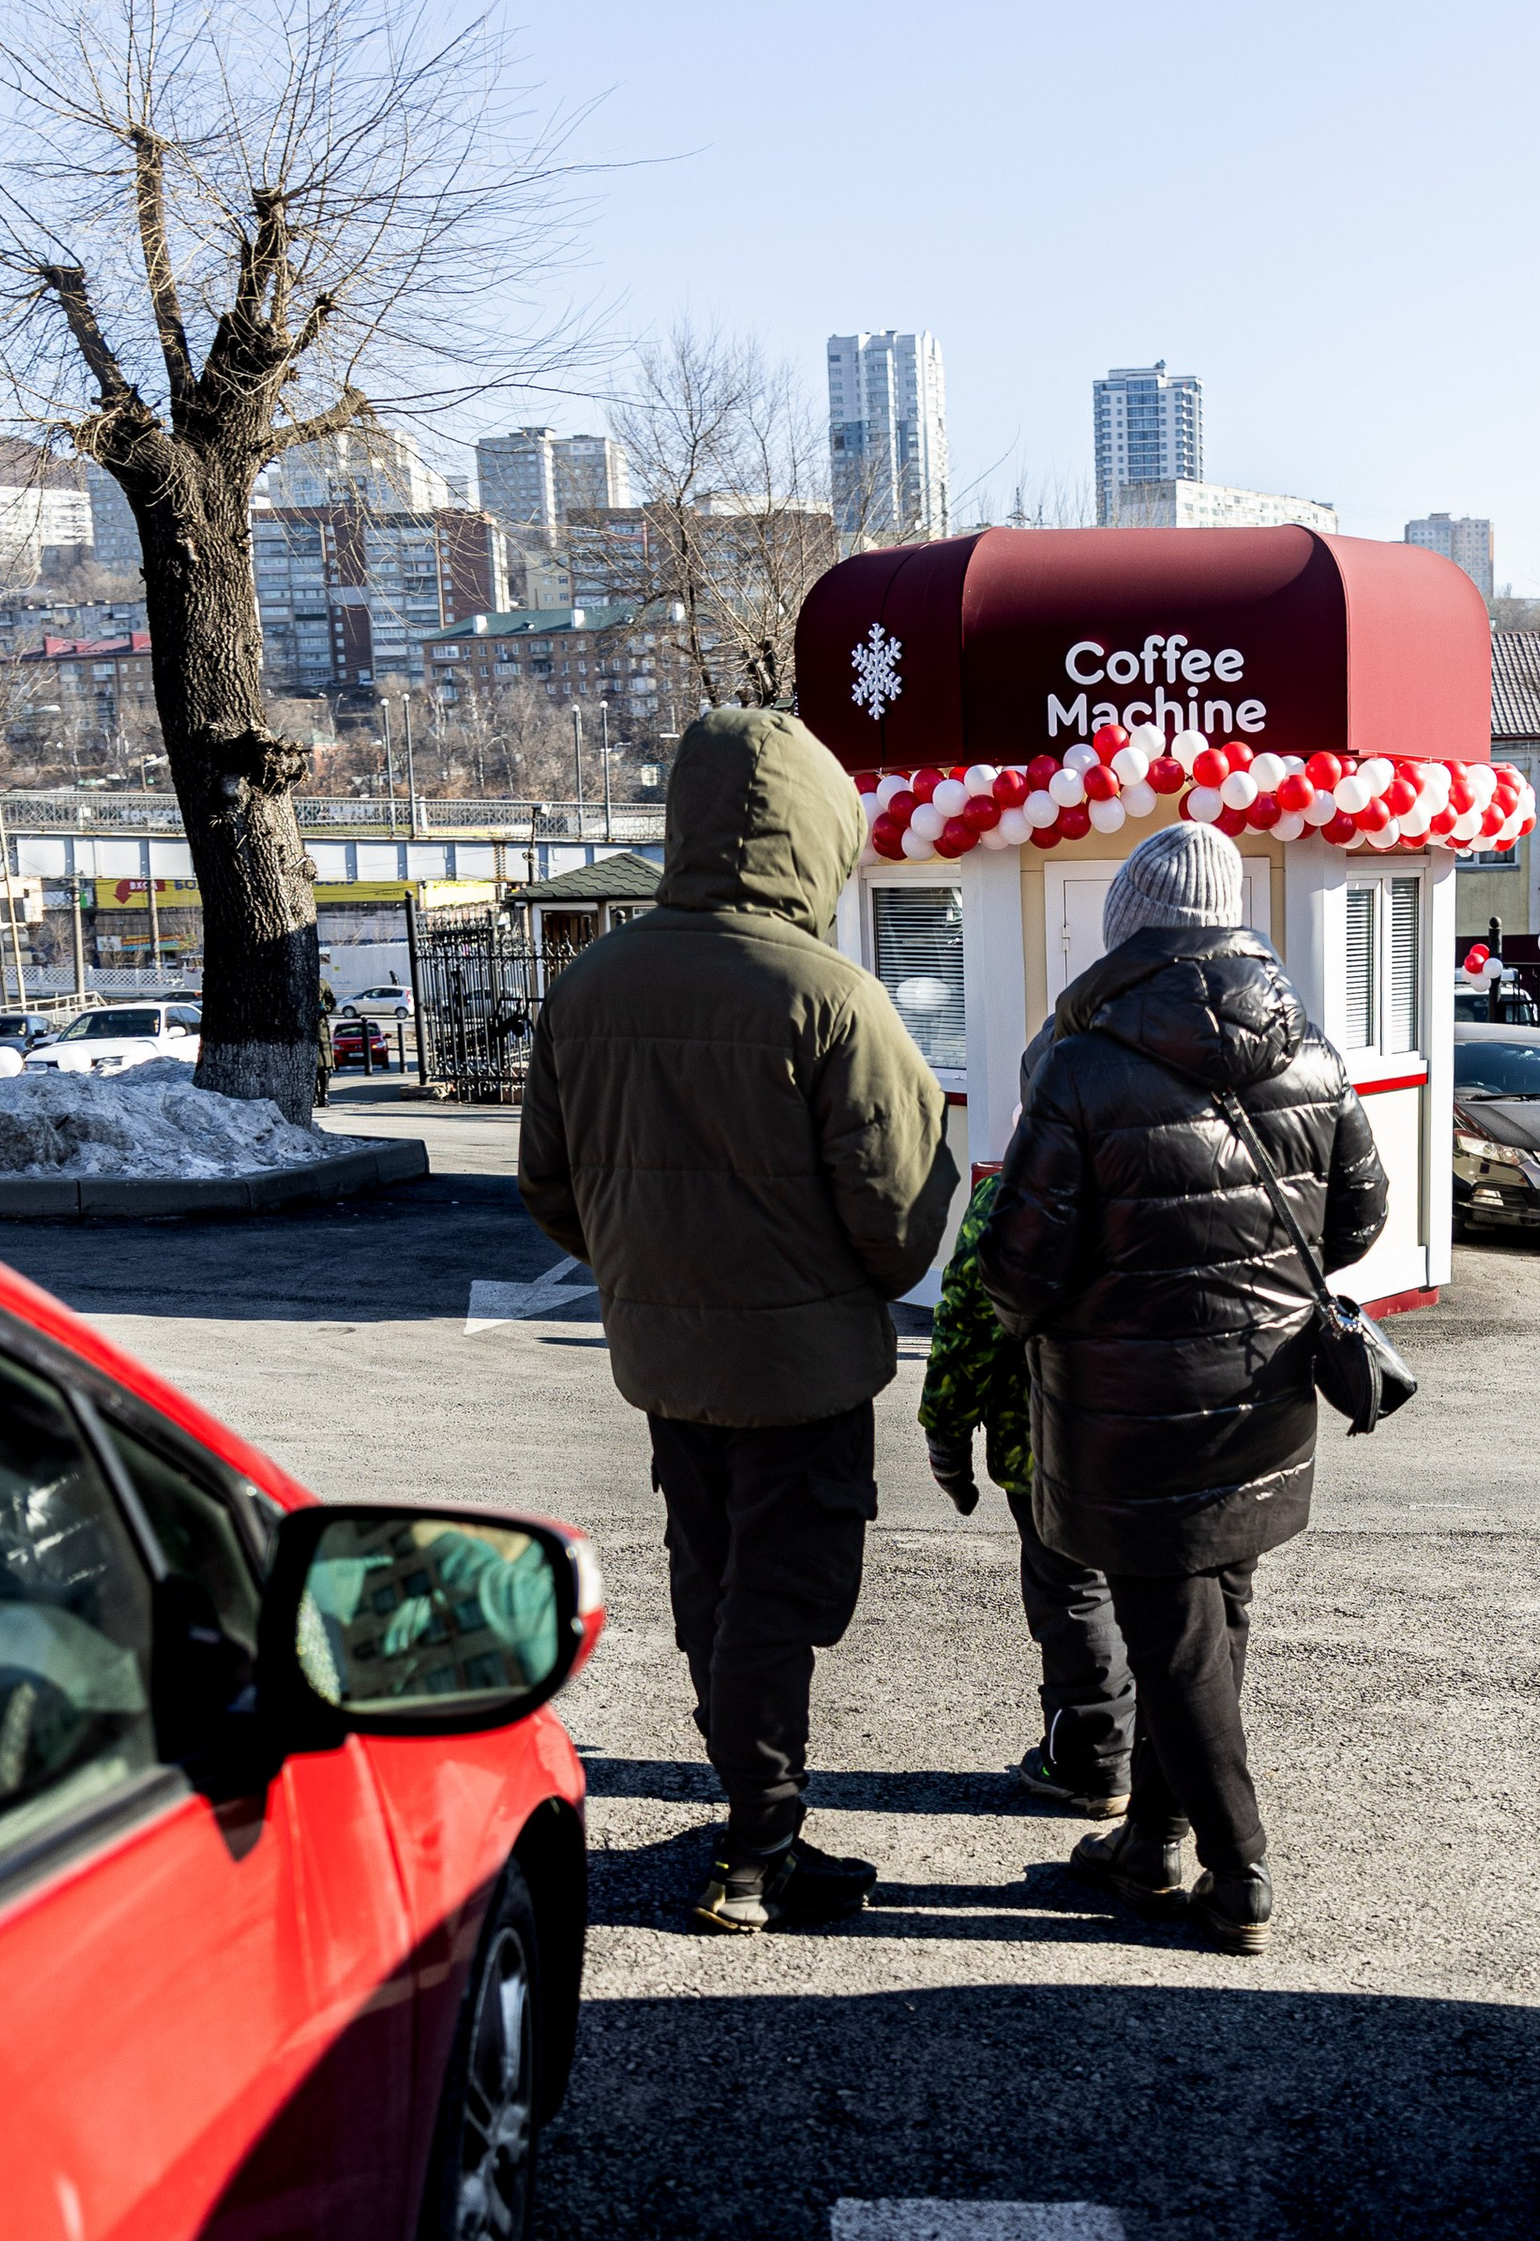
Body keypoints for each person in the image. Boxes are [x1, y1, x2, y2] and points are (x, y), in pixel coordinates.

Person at [518, 705, 958, 1931]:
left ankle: (747, 1811)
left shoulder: (587, 985)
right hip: (803, 1368)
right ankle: (759, 1850)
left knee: (709, 1581)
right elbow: (900, 1210)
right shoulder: (830, 996)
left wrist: (647, 1271)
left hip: (664, 1360)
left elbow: (548, 1185)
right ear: (816, 837)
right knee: (782, 1593)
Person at [979, 820, 1388, 1953]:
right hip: (1264, 1393)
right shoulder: (1311, 1052)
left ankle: (1238, 1867)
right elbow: (1358, 1221)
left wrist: (1060, 1325)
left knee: (1172, 1634)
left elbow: (1017, 1267)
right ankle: (1152, 1841)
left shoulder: (1078, 1063)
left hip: (1127, 1407)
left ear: (1128, 930)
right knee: (1214, 1616)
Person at [917, 1171, 1135, 1818]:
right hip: (1168, 1437)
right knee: (1162, 1594)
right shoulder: (1169, 1176)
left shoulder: (1018, 1193)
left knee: (1074, 1590)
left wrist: (946, 1437)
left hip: (1052, 1440)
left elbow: (966, 1323)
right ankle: (1168, 1759)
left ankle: (1093, 1762)